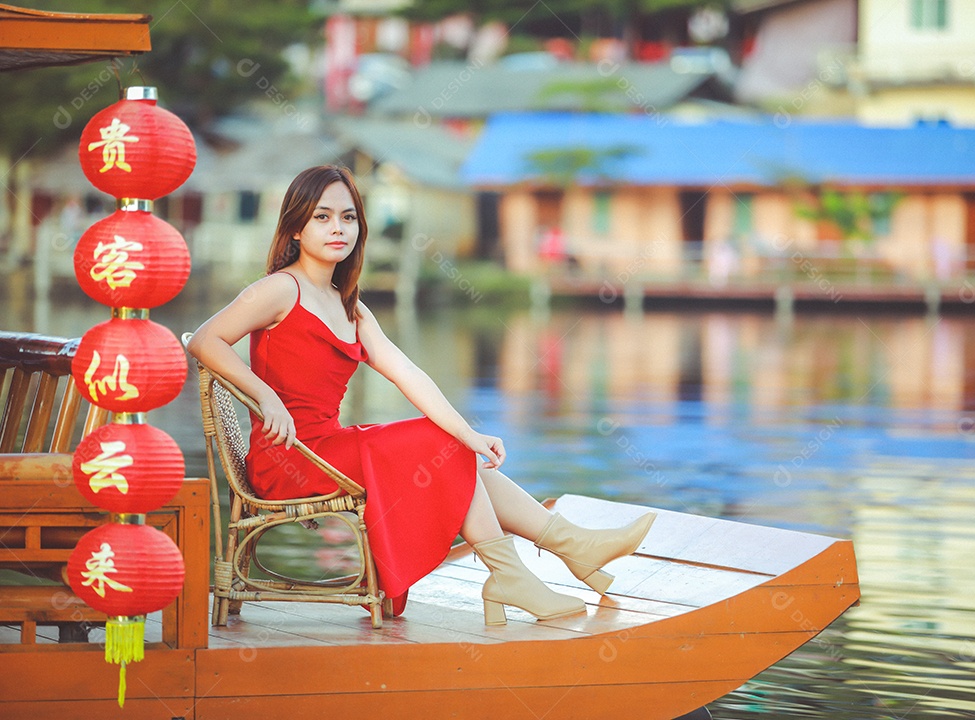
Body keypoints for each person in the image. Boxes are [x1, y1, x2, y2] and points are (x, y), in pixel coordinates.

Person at [188, 165, 655, 626]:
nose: (338, 228)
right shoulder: (278, 289)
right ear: (294, 227)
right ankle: (522, 569)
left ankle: (568, 548)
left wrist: (469, 432)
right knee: (440, 446)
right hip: (289, 459)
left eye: (349, 217)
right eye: (322, 217)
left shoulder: (350, 305)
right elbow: (204, 341)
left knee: (455, 449)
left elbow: (407, 373)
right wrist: (265, 395)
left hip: (331, 449)